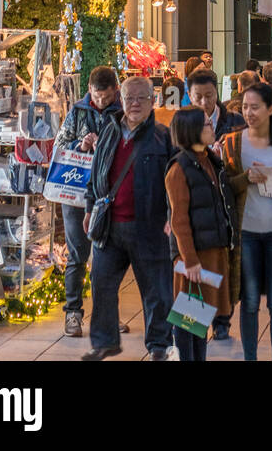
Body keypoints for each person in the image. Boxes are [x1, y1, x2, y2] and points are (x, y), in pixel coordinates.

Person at [83, 77, 174, 361]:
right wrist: (89, 207)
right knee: (102, 284)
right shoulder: (109, 131)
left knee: (156, 291)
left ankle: (159, 345)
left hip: (150, 227)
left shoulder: (163, 136)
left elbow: (175, 181)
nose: (134, 103)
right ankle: (105, 342)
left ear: (152, 101)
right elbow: (95, 174)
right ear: (121, 101)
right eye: (129, 98)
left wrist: (173, 216)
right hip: (110, 226)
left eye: (141, 98)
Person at [221, 82, 272, 361]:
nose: (248, 112)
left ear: (270, 109)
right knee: (251, 302)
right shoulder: (232, 143)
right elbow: (226, 188)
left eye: (255, 107)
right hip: (247, 235)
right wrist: (246, 179)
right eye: (245, 106)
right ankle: (251, 358)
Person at [52, 65, 123, 338]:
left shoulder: (122, 112)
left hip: (109, 194)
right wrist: (80, 146)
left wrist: (103, 145)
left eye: (106, 97)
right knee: (77, 254)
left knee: (107, 257)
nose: (102, 102)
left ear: (115, 90)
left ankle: (107, 316)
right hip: (77, 194)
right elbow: (60, 146)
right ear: (90, 90)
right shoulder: (78, 111)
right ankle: (73, 314)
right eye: (97, 96)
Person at [165, 107, 237, 361]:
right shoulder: (179, 168)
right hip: (193, 257)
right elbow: (179, 220)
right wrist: (190, 259)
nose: (212, 127)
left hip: (212, 251)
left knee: (201, 321)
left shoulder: (210, 160)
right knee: (188, 323)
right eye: (207, 124)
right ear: (192, 130)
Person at [186, 67, 246, 339]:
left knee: (225, 265)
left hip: (227, 203)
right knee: (195, 267)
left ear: (217, 94)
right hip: (195, 206)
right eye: (197, 97)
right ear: (189, 95)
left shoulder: (234, 121)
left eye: (208, 96)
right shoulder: (184, 123)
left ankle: (222, 322)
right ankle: (193, 326)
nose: (203, 103)